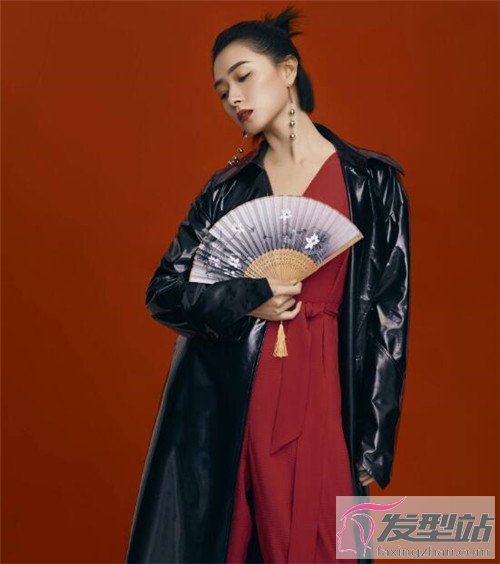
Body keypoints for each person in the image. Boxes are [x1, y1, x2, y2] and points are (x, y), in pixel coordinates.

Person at [126, 5, 410, 564]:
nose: (233, 97)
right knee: (239, 537)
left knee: (324, 540)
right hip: (236, 387)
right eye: (221, 90)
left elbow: (389, 314)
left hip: (326, 383)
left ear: (287, 70)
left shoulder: (372, 182)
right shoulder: (225, 191)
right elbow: (164, 292)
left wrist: (374, 438)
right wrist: (247, 297)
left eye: (243, 76)